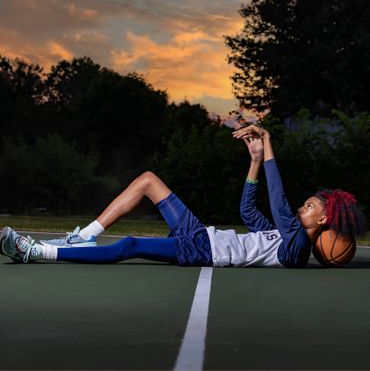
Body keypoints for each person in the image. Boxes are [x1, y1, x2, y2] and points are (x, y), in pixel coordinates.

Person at [0, 125, 366, 267]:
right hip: (201, 234)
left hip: (203, 251)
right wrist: (254, 160)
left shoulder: (296, 248)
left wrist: (268, 142)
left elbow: (278, 199)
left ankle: (37, 252)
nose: (303, 206)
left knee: (130, 245)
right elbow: (248, 209)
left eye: (311, 206)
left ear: (323, 219)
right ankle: (81, 237)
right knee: (148, 180)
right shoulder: (282, 237)